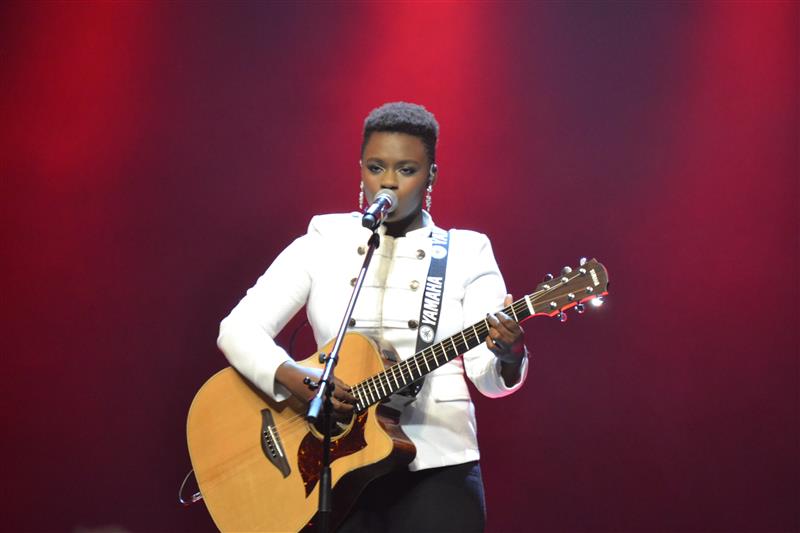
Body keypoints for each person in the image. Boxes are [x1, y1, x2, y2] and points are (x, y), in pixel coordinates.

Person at [217, 102, 529, 532]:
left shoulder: (467, 252)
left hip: (438, 465)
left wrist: (509, 355)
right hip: (335, 464)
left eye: (407, 170)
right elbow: (238, 328)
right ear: (360, 169)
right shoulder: (326, 239)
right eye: (376, 167)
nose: (388, 182)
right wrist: (295, 378)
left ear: (431, 175)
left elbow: (487, 378)